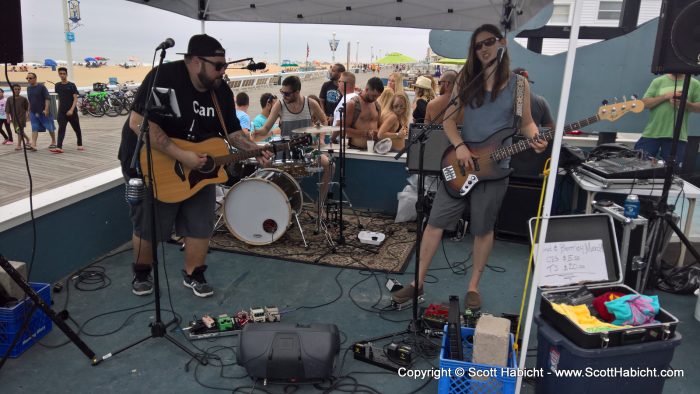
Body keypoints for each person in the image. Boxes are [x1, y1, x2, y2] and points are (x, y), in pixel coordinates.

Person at [391, 24, 548, 310]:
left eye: (489, 42)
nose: (484, 48)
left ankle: (473, 287)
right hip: (461, 161)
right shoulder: (467, 80)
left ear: (501, 43)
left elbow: (526, 123)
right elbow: (449, 120)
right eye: (477, 45)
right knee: (434, 223)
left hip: (496, 168)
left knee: (483, 228)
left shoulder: (519, 85)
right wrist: (460, 145)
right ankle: (418, 282)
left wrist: (535, 138)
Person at [117, 34, 272, 298]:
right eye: (218, 66)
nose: (222, 72)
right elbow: (138, 123)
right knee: (150, 226)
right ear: (194, 61)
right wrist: (181, 155)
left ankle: (194, 274)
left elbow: (232, 133)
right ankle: (141, 272)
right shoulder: (163, 78)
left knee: (200, 223)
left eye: (224, 65)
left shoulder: (220, 90)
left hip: (199, 168)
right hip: (153, 162)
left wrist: (254, 150)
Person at [253, 75, 335, 209]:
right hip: (285, 151)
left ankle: (319, 204)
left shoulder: (310, 104)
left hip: (306, 150)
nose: (283, 95)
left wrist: (320, 137)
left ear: (297, 92)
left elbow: (324, 121)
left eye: (287, 93)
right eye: (282, 92)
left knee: (330, 165)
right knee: (266, 166)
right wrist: (257, 133)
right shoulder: (280, 105)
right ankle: (275, 206)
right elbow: (266, 128)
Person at [634, 73, 700, 163]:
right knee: (637, 164)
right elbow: (644, 104)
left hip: (678, 136)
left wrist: (684, 103)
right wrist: (666, 96)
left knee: (672, 170)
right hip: (652, 133)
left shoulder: (694, 83)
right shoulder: (658, 81)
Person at [343, 77, 384, 149]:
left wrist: (377, 132)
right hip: (356, 149)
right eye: (373, 95)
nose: (375, 98)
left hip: (374, 149)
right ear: (367, 89)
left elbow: (380, 126)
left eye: (378, 96)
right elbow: (344, 130)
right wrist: (365, 134)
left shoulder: (377, 105)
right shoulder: (353, 104)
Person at [53, 67, 84, 153]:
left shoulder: (71, 85)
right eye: (60, 73)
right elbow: (60, 98)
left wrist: (71, 110)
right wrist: (59, 111)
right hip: (62, 112)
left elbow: (75, 99)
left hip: (72, 111)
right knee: (61, 128)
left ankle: (80, 144)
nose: (62, 75)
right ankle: (59, 147)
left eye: (64, 73)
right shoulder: (57, 85)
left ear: (66, 74)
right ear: (59, 74)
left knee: (77, 128)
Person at [26, 72, 57, 150]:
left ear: (35, 78)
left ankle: (53, 141)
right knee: (34, 127)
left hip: (43, 111)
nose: (28, 80)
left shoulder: (42, 87)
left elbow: (47, 98)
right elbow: (30, 100)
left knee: (50, 126)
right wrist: (28, 111)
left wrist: (46, 109)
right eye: (27, 78)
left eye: (30, 78)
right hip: (33, 112)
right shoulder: (28, 88)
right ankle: (33, 144)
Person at [5, 84, 30, 150]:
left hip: (22, 117)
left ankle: (19, 145)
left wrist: (27, 115)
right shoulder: (9, 99)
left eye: (18, 89)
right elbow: (7, 109)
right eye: (15, 89)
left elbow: (27, 108)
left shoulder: (24, 99)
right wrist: (8, 118)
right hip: (14, 118)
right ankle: (27, 139)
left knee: (20, 130)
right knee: (18, 131)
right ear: (12, 90)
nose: (17, 90)